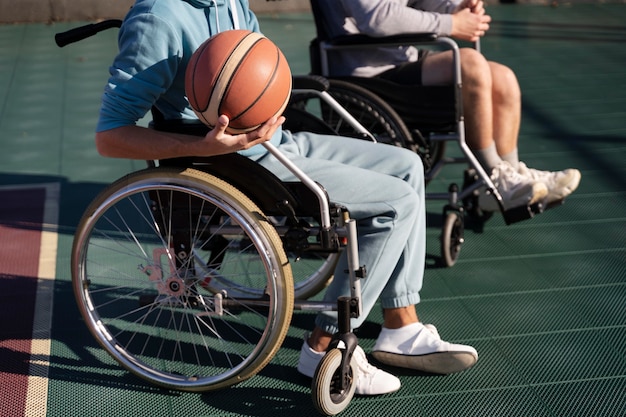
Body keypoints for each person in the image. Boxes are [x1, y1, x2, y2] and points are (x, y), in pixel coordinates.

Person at [95, 0, 478, 396]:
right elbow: (109, 136)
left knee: (407, 165)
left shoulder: (232, 3)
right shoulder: (159, 19)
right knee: (398, 202)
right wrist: (207, 147)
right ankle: (324, 346)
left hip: (280, 143)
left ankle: (400, 324)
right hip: (238, 164)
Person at [317, 0, 581, 211]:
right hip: (361, 76)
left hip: (397, 61)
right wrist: (451, 22)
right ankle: (494, 179)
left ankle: (509, 178)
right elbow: (375, 17)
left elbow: (419, 3)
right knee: (470, 65)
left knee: (504, 78)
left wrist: (455, 7)